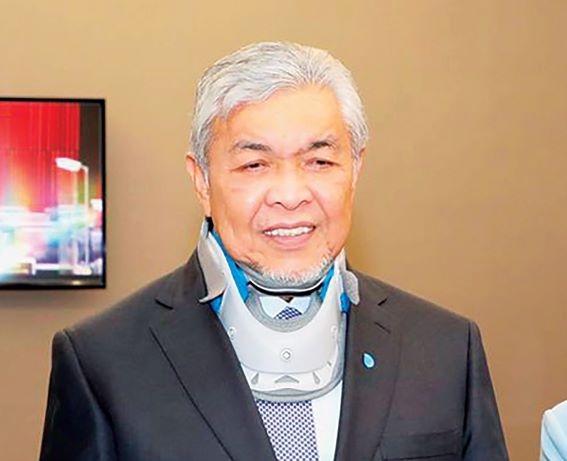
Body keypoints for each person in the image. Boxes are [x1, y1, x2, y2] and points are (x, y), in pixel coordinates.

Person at [40, 41, 509, 461]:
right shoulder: (102, 363)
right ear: (201, 181)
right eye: (254, 164)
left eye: (319, 161)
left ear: (355, 170)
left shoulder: (446, 350)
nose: (289, 195)